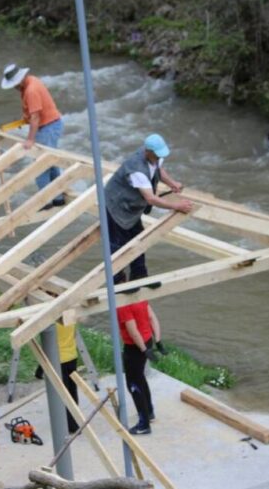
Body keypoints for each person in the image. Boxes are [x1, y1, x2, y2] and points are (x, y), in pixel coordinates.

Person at [104, 134, 193, 283]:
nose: (159, 158)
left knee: (139, 238)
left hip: (132, 205)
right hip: (117, 205)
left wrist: (172, 183)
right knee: (118, 243)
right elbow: (150, 198)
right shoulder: (137, 170)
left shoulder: (155, 157)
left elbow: (159, 169)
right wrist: (177, 206)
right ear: (148, 152)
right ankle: (117, 279)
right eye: (157, 156)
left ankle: (139, 275)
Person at [1, 63, 65, 209]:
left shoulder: (31, 90)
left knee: (41, 166)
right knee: (51, 162)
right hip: (52, 124)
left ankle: (46, 201)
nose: (15, 88)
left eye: (15, 84)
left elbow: (35, 117)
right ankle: (58, 198)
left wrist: (30, 140)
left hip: (48, 126)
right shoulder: (31, 81)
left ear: (21, 79)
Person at [116, 273, 163, 435]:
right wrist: (157, 341)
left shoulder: (122, 305)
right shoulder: (139, 296)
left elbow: (132, 330)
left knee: (133, 384)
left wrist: (143, 350)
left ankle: (144, 424)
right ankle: (149, 412)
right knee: (140, 378)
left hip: (135, 347)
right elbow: (152, 318)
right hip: (147, 341)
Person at [35, 322, 80, 434]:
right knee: (72, 391)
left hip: (58, 360)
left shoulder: (51, 321)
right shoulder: (70, 317)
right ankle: (75, 421)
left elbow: (46, 343)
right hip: (71, 356)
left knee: (62, 394)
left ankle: (70, 425)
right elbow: (74, 334)